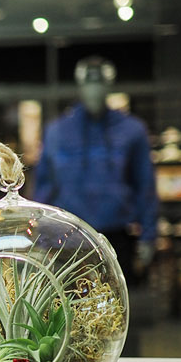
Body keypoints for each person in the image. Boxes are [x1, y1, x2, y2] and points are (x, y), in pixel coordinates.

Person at [33, 56, 157, 282]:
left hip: (117, 237)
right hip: (68, 239)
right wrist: (40, 237)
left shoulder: (131, 130)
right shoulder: (57, 132)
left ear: (109, 85)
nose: (94, 90)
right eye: (89, 84)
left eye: (100, 83)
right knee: (70, 310)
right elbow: (44, 186)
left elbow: (145, 186)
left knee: (118, 311)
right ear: (80, 86)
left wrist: (148, 236)